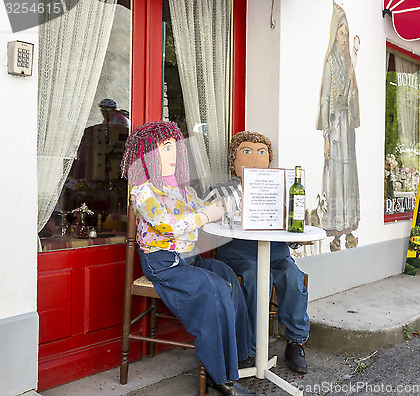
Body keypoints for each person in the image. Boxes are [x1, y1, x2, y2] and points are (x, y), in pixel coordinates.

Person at [120, 121, 255, 396]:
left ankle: (239, 355)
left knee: (228, 276)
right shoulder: (144, 191)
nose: (173, 154)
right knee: (213, 289)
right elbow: (168, 224)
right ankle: (222, 378)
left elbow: (199, 208)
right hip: (164, 263)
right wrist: (206, 215)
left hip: (189, 259)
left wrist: (223, 205)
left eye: (175, 148)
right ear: (147, 154)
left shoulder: (181, 188)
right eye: (164, 148)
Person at [204, 131, 310, 374]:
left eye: (261, 152)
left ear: (269, 160)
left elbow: (291, 223)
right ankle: (250, 346)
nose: (254, 158)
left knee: (293, 277)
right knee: (255, 278)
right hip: (239, 254)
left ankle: (295, 342)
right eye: (247, 152)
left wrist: (295, 232)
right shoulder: (220, 191)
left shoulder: (280, 190)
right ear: (234, 159)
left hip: (276, 252)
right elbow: (206, 224)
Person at [316, 1, 361, 251]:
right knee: (336, 177)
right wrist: (325, 134)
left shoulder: (348, 63)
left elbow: (353, 99)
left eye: (346, 33)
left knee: (348, 175)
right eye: (341, 33)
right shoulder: (331, 63)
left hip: (348, 128)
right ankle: (334, 231)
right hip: (334, 127)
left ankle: (348, 229)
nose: (344, 38)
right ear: (335, 34)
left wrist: (353, 85)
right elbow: (325, 99)